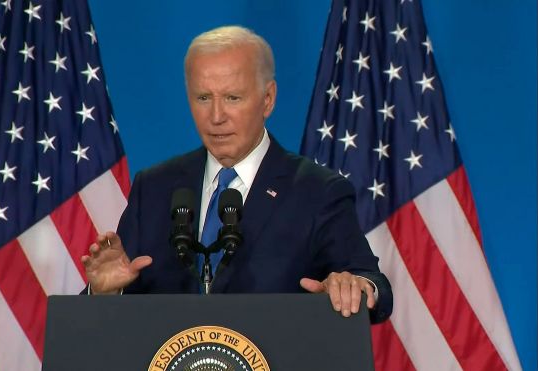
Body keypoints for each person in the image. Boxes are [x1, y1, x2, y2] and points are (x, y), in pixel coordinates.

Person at [81, 25, 392, 323]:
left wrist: (354, 285)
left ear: (267, 99)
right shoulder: (154, 187)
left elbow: (373, 283)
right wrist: (105, 292)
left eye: (232, 98)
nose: (216, 117)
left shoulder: (318, 192)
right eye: (203, 98)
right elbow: (116, 313)